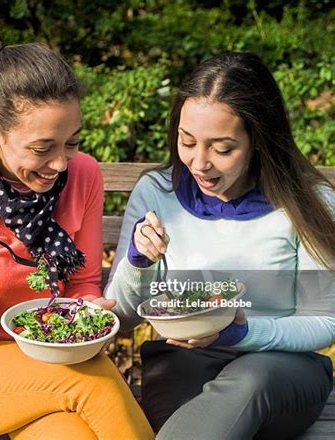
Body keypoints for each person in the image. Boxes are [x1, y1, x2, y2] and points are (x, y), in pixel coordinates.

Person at [0, 34, 154, 439]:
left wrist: (90, 313)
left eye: (71, 142)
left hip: (48, 362)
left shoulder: (84, 174)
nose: (59, 163)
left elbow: (81, 283)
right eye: (42, 148)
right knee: (96, 380)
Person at [105, 51, 334, 440]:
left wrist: (241, 334)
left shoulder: (307, 203)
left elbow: (325, 321)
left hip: (281, 368)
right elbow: (122, 318)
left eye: (222, 148)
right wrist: (137, 261)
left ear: (258, 140)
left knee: (250, 381)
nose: (199, 163)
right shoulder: (157, 193)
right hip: (182, 363)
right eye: (187, 141)